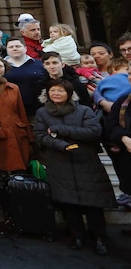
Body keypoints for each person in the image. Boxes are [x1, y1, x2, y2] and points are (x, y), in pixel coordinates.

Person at [34, 78, 115, 255]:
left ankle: (99, 237)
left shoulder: (84, 110)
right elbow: (40, 136)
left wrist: (60, 130)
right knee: (67, 203)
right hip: (58, 161)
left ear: (69, 93)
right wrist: (61, 145)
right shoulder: (42, 113)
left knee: (93, 203)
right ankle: (78, 235)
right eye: (53, 90)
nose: (56, 93)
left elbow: (93, 131)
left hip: (85, 161)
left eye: (61, 91)